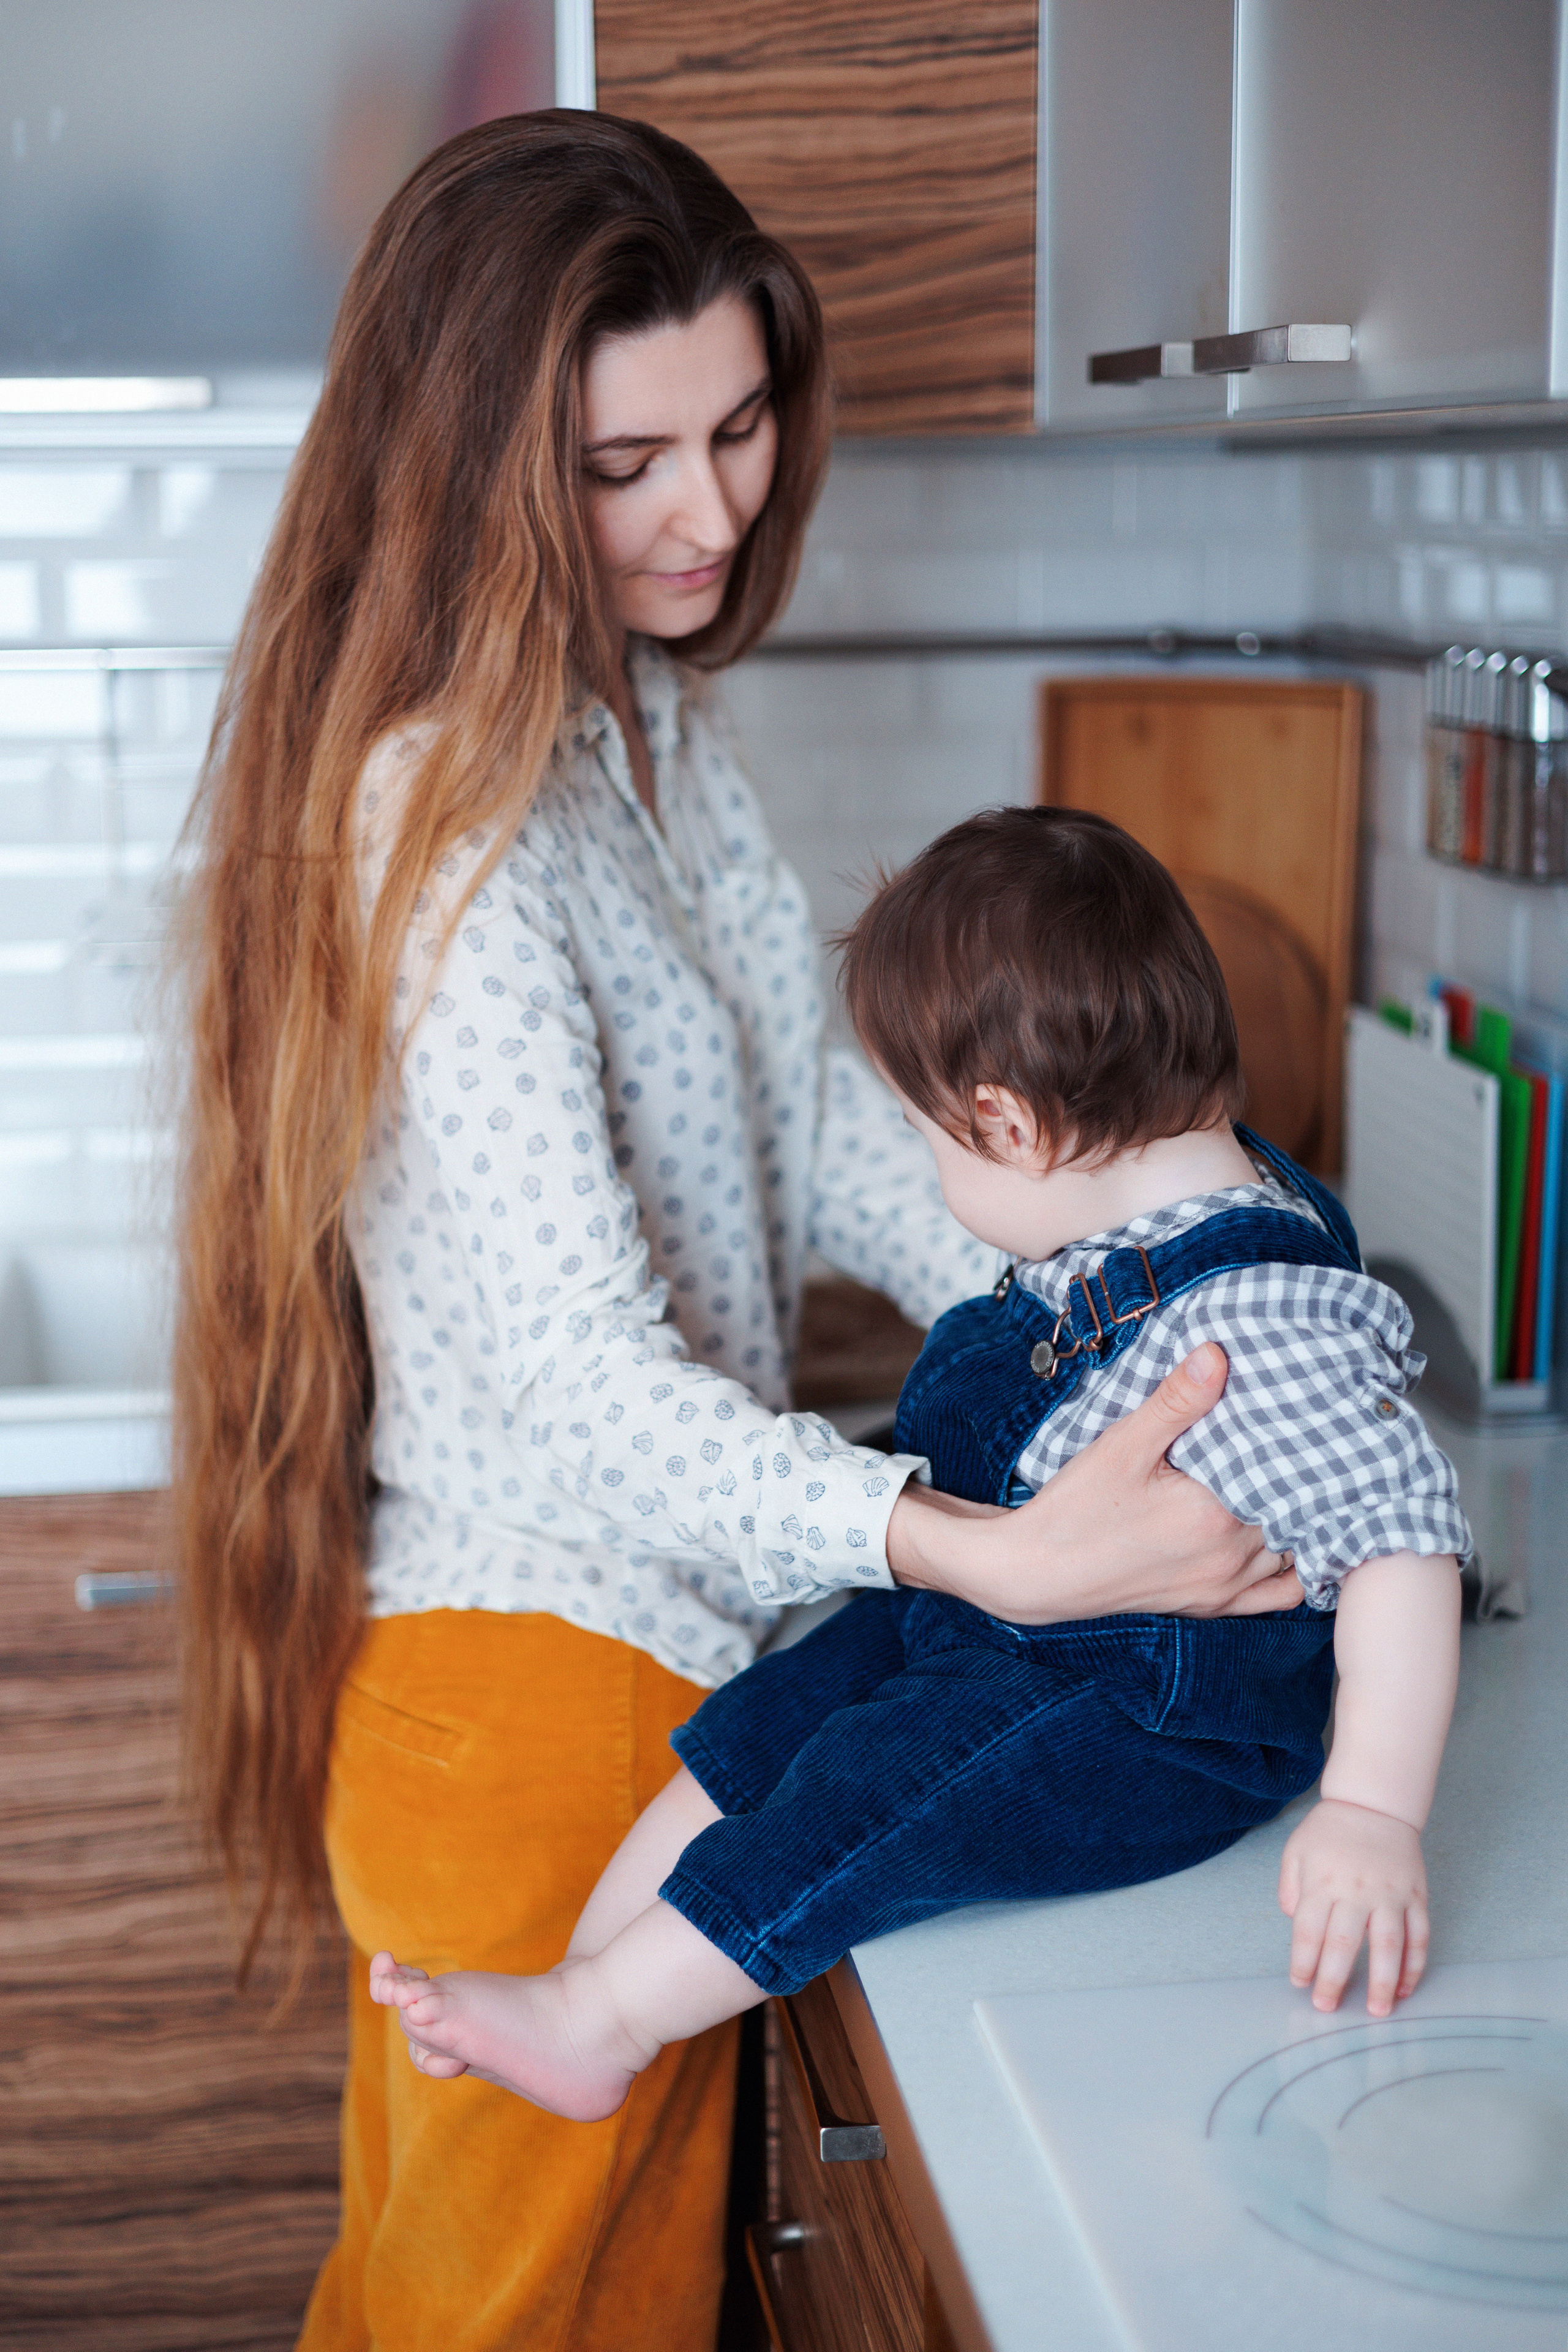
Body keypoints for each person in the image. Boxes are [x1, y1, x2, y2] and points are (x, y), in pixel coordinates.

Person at [174, 112, 1307, 2352]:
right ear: (481, 465)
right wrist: (992, 1550)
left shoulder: (646, 727)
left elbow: (814, 1116)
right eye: (624, 463)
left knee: (487, 2310)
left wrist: (1148, 1288)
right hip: (543, 1701)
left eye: (741, 423)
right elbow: (592, 1394)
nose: (711, 510)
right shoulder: (448, 823)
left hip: (643, 1682)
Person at [369, 808, 1471, 2121]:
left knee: (867, 1789)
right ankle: (583, 1975)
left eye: (929, 1136)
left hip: (1145, 1722)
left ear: (1005, 1124)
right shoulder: (1158, 1204)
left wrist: (1369, 1814)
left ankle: (600, 2021)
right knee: (785, 1707)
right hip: (1015, 1625)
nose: (930, 1164)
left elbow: (1406, 1545)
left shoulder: (1267, 1318)